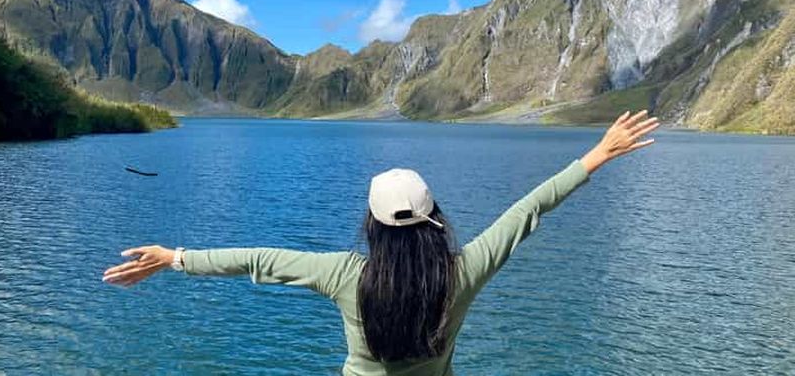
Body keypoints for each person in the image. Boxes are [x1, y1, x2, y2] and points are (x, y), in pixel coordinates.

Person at [103, 110, 659, 375]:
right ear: (435, 218)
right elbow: (528, 209)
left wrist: (175, 258)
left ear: (372, 226)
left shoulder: (347, 276)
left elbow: (259, 260)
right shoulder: (463, 272)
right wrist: (596, 155)